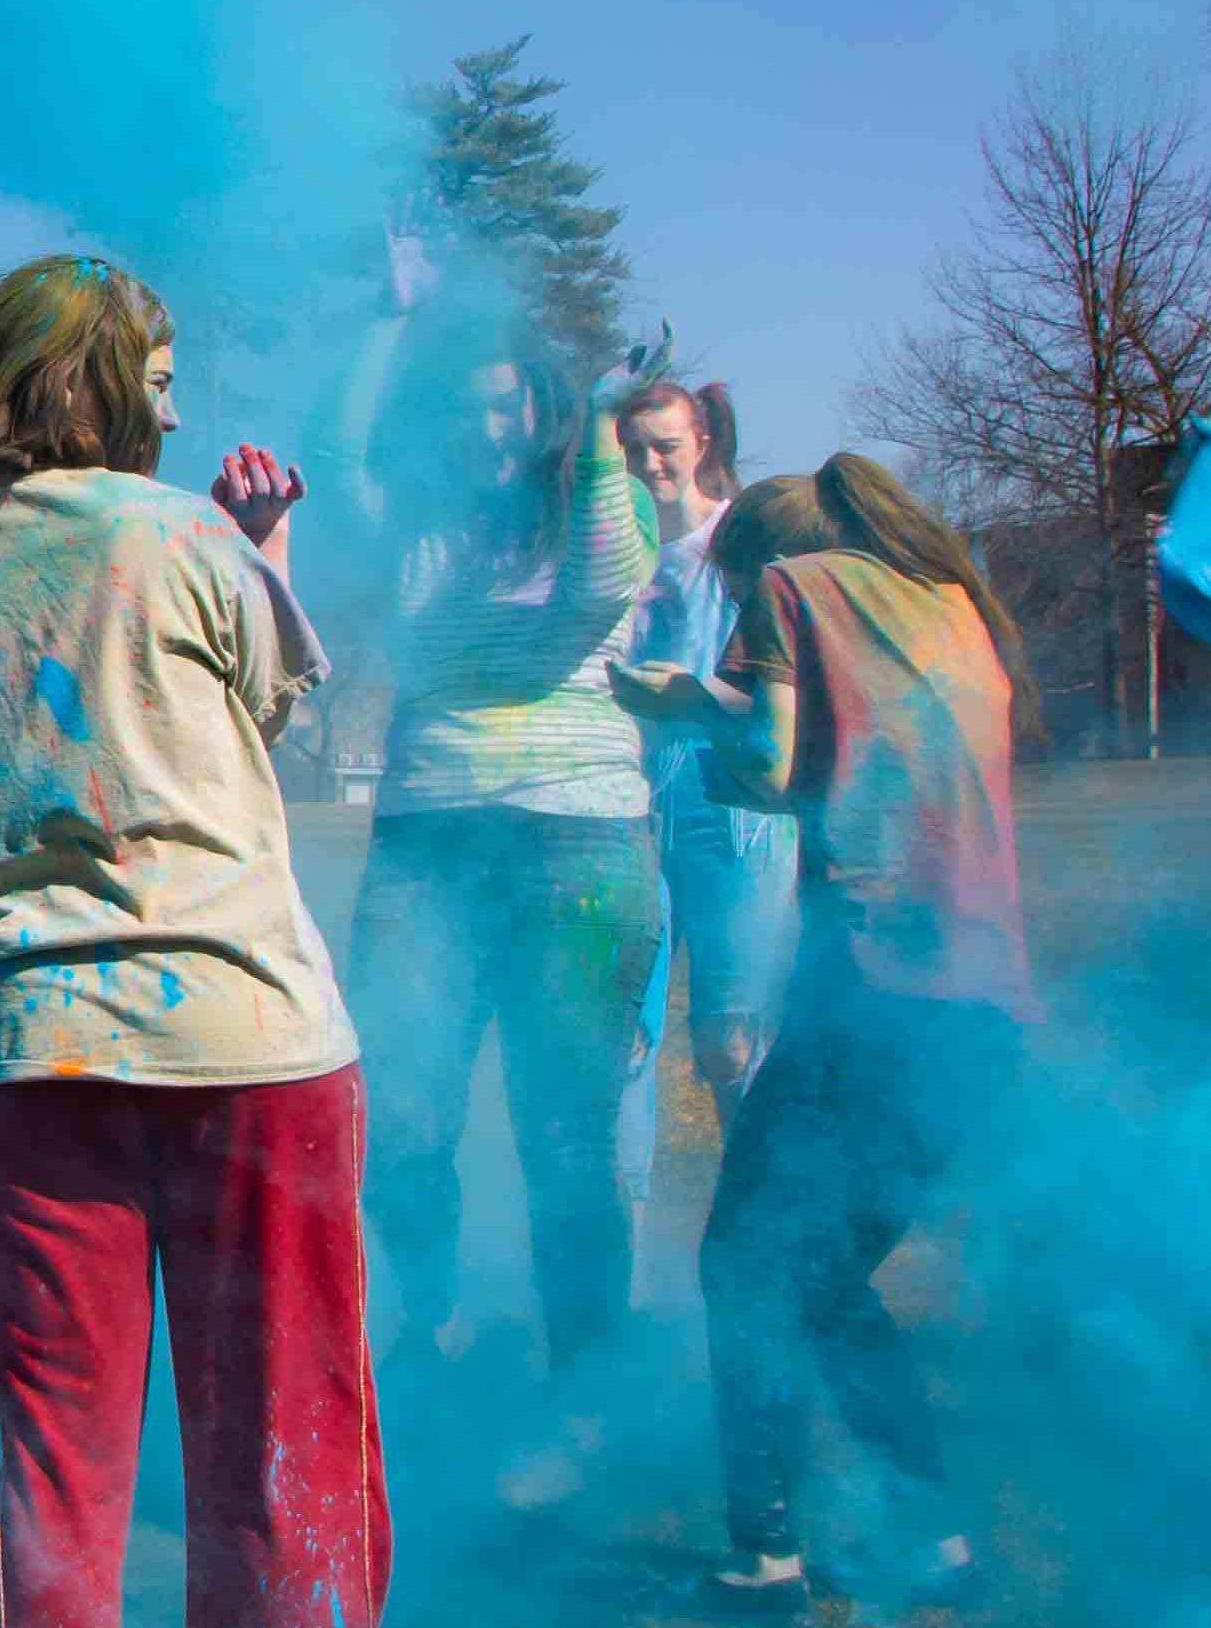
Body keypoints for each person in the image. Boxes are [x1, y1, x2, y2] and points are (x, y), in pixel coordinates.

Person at [0, 254, 371, 1628]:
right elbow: (271, 727)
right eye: (159, 382)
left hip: (26, 1053)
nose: (176, 420)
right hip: (243, 1038)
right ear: (96, 378)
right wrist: (260, 550)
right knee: (278, 1441)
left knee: (58, 1459)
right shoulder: (182, 541)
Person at [665, 458, 1029, 1605]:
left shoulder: (788, 588)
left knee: (744, 1264)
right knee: (819, 1277)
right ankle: (932, 1535)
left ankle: (764, 1552)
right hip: (981, 1011)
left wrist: (683, 716)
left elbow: (767, 767)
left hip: (870, 994)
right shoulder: (945, 602)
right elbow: (846, 760)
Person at [330, 233, 662, 1397]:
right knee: (400, 1121)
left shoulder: (595, 504)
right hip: (426, 843)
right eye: (467, 408)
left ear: (544, 406)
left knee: (565, 1139)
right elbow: (339, 453)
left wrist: (608, 436)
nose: (487, 430)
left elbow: (605, 587)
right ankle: (434, 1325)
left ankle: (585, 1387)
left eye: (509, 405)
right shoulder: (419, 524)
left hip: (577, 843)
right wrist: (386, 318)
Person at [605, 380, 790, 1216]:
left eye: (666, 446)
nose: (650, 465)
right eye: (634, 448)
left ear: (704, 441)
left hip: (734, 815)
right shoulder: (616, 555)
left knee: (731, 1039)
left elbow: (789, 697)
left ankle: (760, 1243)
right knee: (625, 1037)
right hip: (629, 813)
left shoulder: (745, 545)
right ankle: (622, 1272)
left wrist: (697, 699)